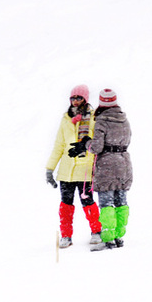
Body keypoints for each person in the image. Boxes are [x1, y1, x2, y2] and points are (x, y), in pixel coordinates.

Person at [68, 88, 132, 251]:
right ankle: (119, 235)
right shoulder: (124, 119)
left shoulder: (102, 120)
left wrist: (86, 143)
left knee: (106, 203)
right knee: (121, 201)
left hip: (107, 165)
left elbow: (96, 147)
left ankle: (108, 238)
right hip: (124, 163)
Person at [45, 84, 102, 248]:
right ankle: (66, 236)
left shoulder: (92, 117)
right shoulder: (66, 120)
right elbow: (59, 146)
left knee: (88, 202)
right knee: (66, 204)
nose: (75, 101)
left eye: (79, 98)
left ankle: (96, 232)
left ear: (85, 99)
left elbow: (96, 143)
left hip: (85, 169)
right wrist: (50, 169)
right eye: (73, 98)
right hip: (66, 171)